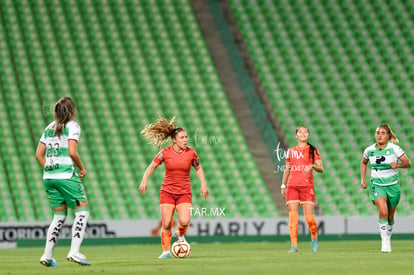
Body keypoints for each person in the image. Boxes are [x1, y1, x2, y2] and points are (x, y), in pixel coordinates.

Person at [139, 116, 209, 259]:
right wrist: (144, 181)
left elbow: (199, 169)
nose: (185, 140)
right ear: (174, 140)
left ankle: (180, 234)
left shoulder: (191, 153)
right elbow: (152, 166)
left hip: (184, 192)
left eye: (186, 137)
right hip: (167, 192)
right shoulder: (165, 153)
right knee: (166, 223)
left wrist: (203, 184)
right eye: (182, 137)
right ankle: (165, 251)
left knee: (183, 221)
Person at [35, 96, 90, 267]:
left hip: (49, 177)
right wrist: (81, 168)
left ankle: (47, 255)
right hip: (66, 175)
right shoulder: (72, 126)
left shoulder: (49, 127)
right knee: (82, 212)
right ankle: (74, 251)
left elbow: (38, 155)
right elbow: (72, 152)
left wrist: (49, 170)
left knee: (58, 216)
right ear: (72, 111)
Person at [361, 123, 411, 253]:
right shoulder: (369, 150)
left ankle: (388, 237)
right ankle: (385, 243)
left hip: (393, 186)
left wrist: (398, 165)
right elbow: (364, 162)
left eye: (383, 133)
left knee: (390, 217)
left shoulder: (395, 149)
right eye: (377, 133)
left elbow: (408, 163)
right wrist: (363, 179)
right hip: (377, 185)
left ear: (388, 136)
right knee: (383, 211)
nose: (379, 135)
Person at [281, 126, 324, 253]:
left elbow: (321, 168)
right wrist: (283, 185)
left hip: (307, 187)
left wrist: (311, 166)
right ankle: (294, 245)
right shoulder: (291, 151)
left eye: (305, 131)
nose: (303, 133)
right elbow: (287, 169)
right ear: (296, 136)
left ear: (308, 135)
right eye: (300, 131)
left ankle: (314, 239)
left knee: (309, 218)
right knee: (293, 217)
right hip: (292, 186)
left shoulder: (313, 150)